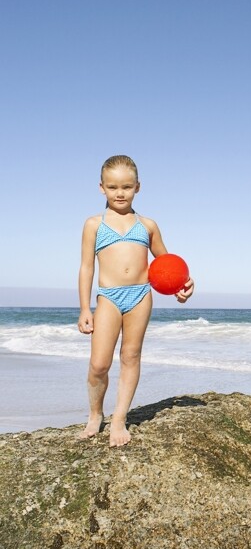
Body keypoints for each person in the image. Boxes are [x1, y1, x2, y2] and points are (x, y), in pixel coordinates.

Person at [78, 154, 194, 447]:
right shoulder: (94, 224)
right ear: (101, 187)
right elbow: (86, 268)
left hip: (141, 295)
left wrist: (183, 286)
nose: (120, 193)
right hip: (109, 297)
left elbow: (167, 266)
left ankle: (119, 419)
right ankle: (95, 414)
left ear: (138, 187)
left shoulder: (148, 225)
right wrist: (83, 308)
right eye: (113, 186)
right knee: (99, 364)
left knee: (130, 356)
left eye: (127, 187)